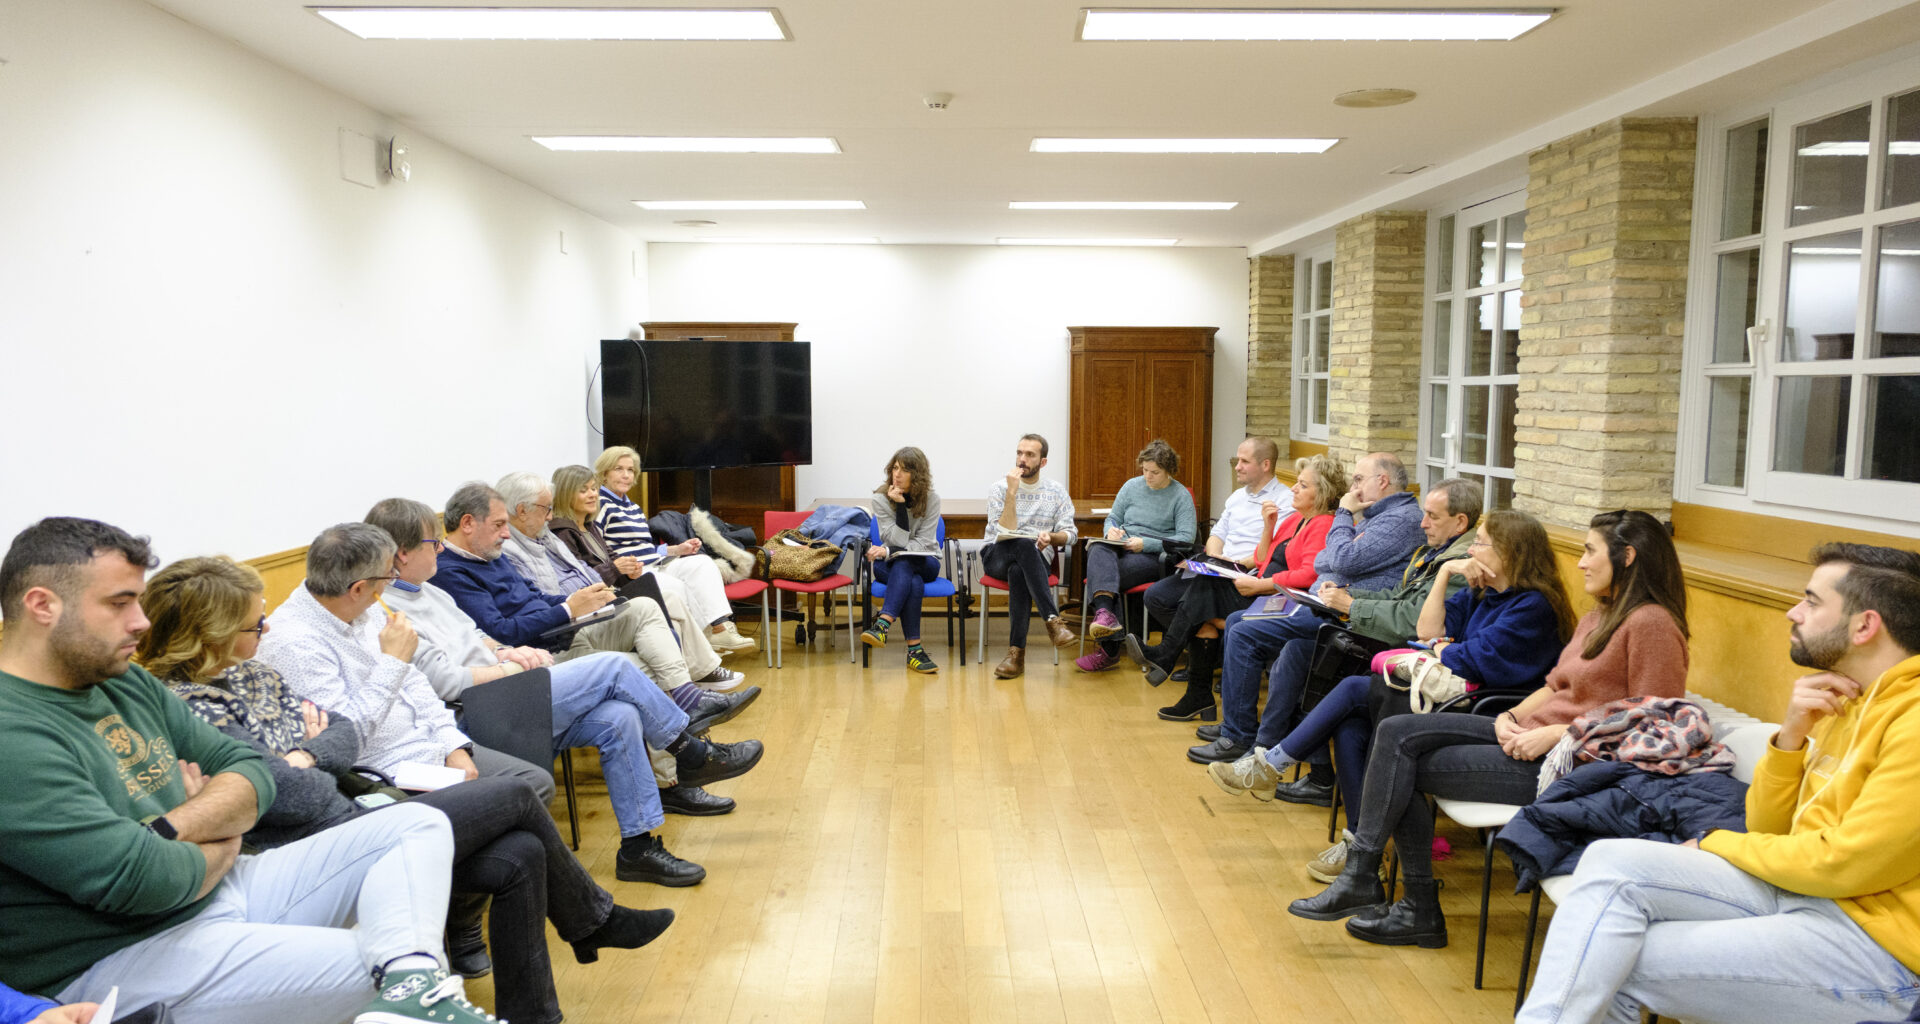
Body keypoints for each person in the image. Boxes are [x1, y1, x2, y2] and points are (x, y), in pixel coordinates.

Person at [135, 555, 678, 1024]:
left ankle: (536, 1011)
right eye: (255, 624)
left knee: (520, 852)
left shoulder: (255, 673)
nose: (266, 628)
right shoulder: (189, 705)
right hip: (308, 849)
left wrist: (305, 756)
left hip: (352, 811)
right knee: (514, 794)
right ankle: (592, 920)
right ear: (212, 633)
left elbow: (340, 734)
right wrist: (306, 757)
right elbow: (290, 795)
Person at [0, 517, 489, 1024]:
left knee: (419, 825)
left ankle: (411, 984)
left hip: (217, 887)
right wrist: (225, 832)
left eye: (138, 602)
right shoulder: (12, 733)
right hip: (119, 951)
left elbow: (251, 769)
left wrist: (174, 828)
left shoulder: (122, 683)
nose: (140, 622)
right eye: (119, 603)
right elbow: (139, 878)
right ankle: (411, 987)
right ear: (42, 606)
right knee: (371, 968)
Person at [1514, 543, 1920, 1024]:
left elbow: (1846, 863)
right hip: (1808, 893)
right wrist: (1789, 739)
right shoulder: (1844, 699)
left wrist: (1714, 842)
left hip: (1880, 948)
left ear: (1864, 626)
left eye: (1811, 601)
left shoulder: (1912, 721)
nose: (1793, 612)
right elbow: (1767, 828)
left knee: (1611, 960)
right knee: (1608, 861)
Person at [1264, 509, 1690, 951]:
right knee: (1394, 733)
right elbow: (1554, 686)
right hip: (1526, 735)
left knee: (1398, 764)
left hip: (1572, 766)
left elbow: (1655, 722)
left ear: (1627, 557)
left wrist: (1558, 735)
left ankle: (1404, 899)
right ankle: (1372, 879)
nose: (1580, 562)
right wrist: (1512, 717)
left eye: (1589, 551)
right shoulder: (1602, 614)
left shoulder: (1652, 624)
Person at [1209, 509, 1575, 881]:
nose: (1471, 551)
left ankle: (1274, 767)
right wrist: (1444, 575)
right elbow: (1427, 631)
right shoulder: (1483, 593)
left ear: (1510, 553)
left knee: (1356, 691)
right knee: (1351, 725)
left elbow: (1474, 660)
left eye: (1481, 544)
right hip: (1449, 696)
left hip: (1487, 713)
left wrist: (1443, 648)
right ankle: (1357, 846)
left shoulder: (1533, 606)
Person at [367, 497, 748, 818]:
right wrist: (513, 662)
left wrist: (508, 651)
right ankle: (690, 749)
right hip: (483, 704)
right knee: (618, 668)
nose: (438, 549)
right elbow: (448, 682)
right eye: (432, 543)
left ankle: (639, 844)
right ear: (402, 553)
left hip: (514, 675)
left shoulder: (428, 590)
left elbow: (480, 636)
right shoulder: (391, 612)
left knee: (620, 715)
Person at [1189, 476, 1480, 782]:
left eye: (1432, 516)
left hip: (1397, 649)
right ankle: (1274, 758)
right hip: (1370, 627)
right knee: (1296, 650)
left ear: (1460, 522)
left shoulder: (1450, 558)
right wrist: (1349, 597)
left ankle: (1253, 747)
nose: (1423, 523)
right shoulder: (1431, 548)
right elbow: (1379, 587)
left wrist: (1350, 604)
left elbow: (1408, 617)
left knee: (1269, 637)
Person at [430, 482, 752, 700]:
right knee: (658, 668)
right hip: (545, 649)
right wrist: (570, 608)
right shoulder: (451, 571)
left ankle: (692, 697)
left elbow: (537, 596)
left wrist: (582, 601)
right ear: (468, 523)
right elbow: (501, 631)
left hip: (567, 629)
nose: (506, 533)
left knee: (647, 606)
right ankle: (686, 727)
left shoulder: (491, 553)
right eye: (499, 524)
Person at [1123, 451, 1344, 722]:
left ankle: (1171, 663)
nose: (1294, 489)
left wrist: (1260, 585)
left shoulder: (1323, 525)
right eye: (1296, 482)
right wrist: (1268, 527)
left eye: (1303, 485)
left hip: (1277, 599)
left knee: (1202, 595)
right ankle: (1192, 689)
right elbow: (1262, 559)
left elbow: (1308, 575)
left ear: (1322, 493)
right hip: (1260, 586)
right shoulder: (1295, 520)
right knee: (1202, 596)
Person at [1118, 437, 1287, 683]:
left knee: (1196, 597)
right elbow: (1217, 534)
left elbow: (1274, 550)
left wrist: (1236, 565)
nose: (1237, 466)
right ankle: (1207, 651)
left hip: (1246, 574)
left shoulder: (1283, 500)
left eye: (1244, 461)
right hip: (1221, 569)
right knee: (1157, 596)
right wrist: (1214, 558)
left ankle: (1175, 659)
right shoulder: (1237, 496)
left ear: (1265, 465)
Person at [591, 445, 755, 654]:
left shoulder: (633, 507)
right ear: (605, 473)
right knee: (678, 586)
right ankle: (705, 641)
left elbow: (645, 548)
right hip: (631, 574)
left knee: (702, 563)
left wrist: (677, 549)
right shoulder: (600, 504)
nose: (626, 475)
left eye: (630, 470)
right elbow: (596, 548)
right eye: (619, 469)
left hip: (654, 564)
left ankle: (719, 627)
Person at [1074, 439, 1196, 670]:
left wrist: (1146, 544)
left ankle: (1108, 650)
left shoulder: (1180, 496)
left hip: (1154, 557)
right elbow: (1113, 518)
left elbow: (1185, 538)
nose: (1148, 476)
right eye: (1145, 470)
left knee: (1106, 574)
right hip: (1121, 546)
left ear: (1169, 471)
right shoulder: (1131, 486)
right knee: (1098, 547)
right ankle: (1105, 615)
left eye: (1155, 472)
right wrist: (1111, 531)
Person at [981, 433, 1079, 679]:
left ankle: (1016, 656)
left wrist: (1052, 537)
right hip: (997, 556)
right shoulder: (1000, 488)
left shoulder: (1056, 491)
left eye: (1029, 454)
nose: (1022, 459)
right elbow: (1004, 530)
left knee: (1019, 570)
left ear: (1042, 462)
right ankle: (1053, 620)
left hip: (1035, 560)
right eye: (1019, 453)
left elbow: (1071, 534)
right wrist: (1012, 493)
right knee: (1024, 544)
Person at [858, 446, 945, 674]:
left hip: (925, 562)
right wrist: (898, 506)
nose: (897, 474)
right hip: (890, 566)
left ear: (917, 474)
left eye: (905, 470)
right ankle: (915, 652)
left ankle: (883, 623)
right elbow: (897, 539)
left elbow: (924, 543)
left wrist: (888, 551)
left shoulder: (932, 500)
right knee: (911, 579)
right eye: (895, 468)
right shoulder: (880, 499)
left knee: (906, 562)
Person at [1311, 452, 1426, 592]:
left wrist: (1344, 512)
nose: (1352, 489)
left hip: (1353, 605)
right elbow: (1318, 562)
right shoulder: (1376, 515)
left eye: (1358, 479)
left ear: (1382, 481)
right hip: (1325, 600)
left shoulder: (1402, 519)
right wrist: (1340, 553)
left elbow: (1341, 560)